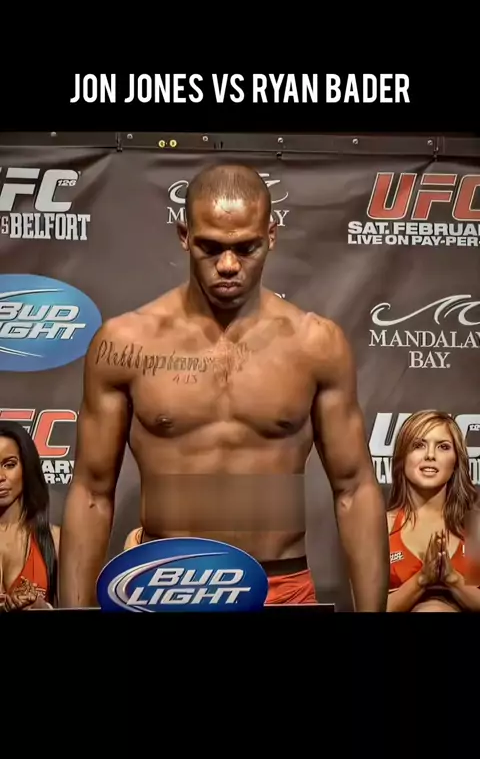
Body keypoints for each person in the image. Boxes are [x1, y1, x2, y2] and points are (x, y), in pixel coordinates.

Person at [59, 162, 389, 611]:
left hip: (280, 587)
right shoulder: (125, 343)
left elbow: (354, 489)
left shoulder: (316, 344)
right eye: (210, 248)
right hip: (164, 586)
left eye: (246, 247)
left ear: (271, 235)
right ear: (184, 236)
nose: (229, 265)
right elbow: (92, 492)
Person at [387, 410, 480, 612]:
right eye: (418, 445)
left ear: (456, 461)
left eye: (443, 447)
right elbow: (367, 607)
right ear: (403, 457)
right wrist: (421, 580)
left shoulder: (475, 528)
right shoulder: (381, 528)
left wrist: (452, 579)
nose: (430, 455)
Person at [0, 420, 59, 611]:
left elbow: (77, 606)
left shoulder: (55, 540)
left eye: (9, 465)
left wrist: (41, 607)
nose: (0, 476)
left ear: (27, 467)